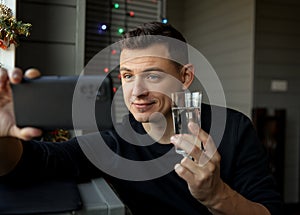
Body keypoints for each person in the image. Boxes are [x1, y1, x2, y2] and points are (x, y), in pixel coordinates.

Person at [0, 22, 281, 215]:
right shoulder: (116, 144)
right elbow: (36, 161)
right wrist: (2, 132)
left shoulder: (233, 128)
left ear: (185, 77)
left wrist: (217, 195)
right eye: (127, 76)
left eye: (153, 75)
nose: (137, 92)